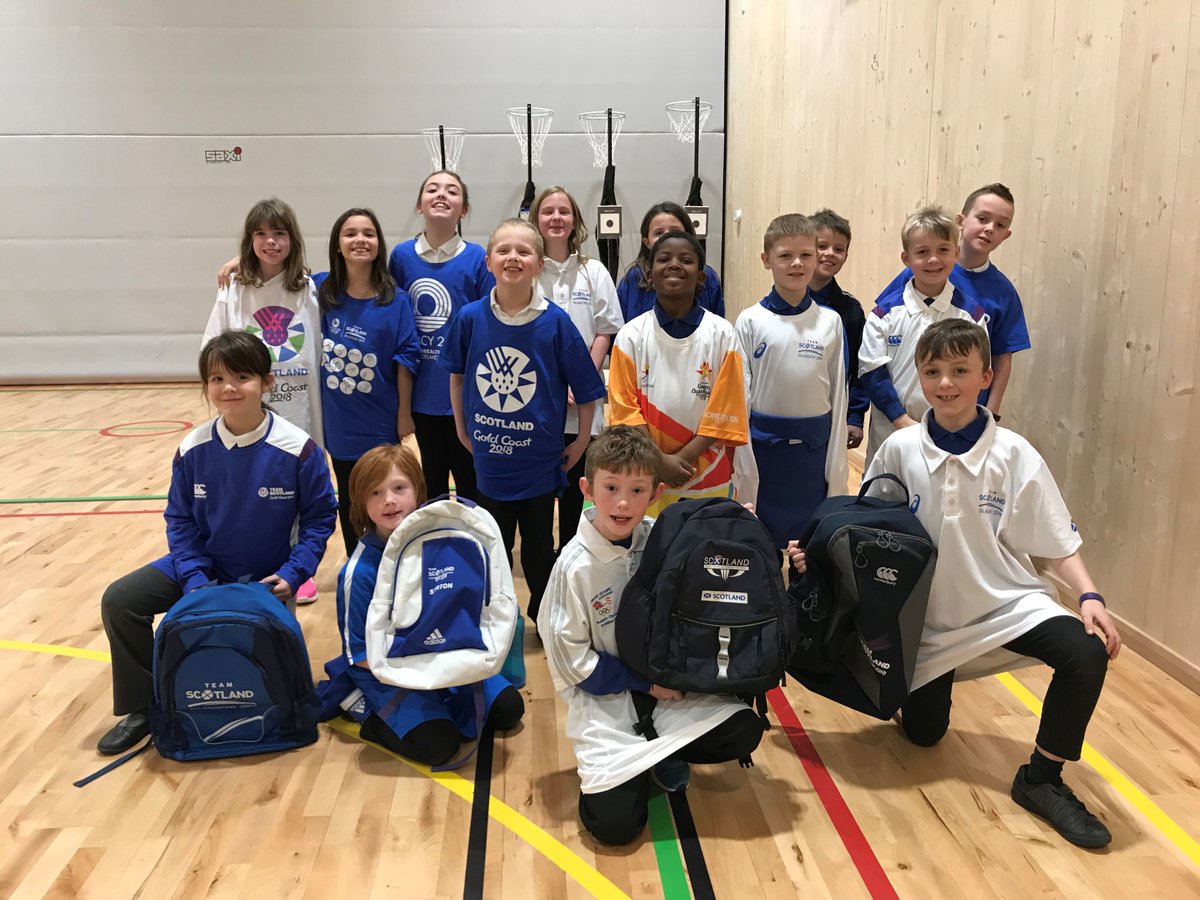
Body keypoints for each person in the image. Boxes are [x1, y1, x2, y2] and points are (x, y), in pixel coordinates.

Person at [859, 319, 1120, 848]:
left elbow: (1055, 538)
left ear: (985, 377)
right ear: (919, 375)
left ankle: (1041, 780)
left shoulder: (1015, 453)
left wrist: (1089, 596)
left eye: (960, 370)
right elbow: (861, 532)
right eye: (933, 371)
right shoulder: (900, 450)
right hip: (926, 622)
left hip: (1004, 606)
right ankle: (926, 685)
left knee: (1086, 652)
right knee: (925, 735)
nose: (946, 384)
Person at [96, 330, 337, 754]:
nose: (228, 388)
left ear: (266, 383)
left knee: (265, 651)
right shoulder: (192, 448)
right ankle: (145, 707)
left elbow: (320, 519)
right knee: (121, 600)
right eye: (216, 379)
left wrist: (293, 573)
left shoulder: (298, 449)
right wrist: (193, 579)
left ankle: (274, 710)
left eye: (242, 377)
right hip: (199, 570)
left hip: (265, 579)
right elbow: (180, 520)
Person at [539, 425, 764, 845]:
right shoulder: (573, 568)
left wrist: (740, 526)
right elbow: (573, 663)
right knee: (615, 828)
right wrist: (646, 684)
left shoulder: (657, 536)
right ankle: (637, 767)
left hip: (665, 685)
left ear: (656, 492)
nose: (623, 502)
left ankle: (666, 754)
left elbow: (709, 548)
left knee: (744, 729)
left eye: (637, 490)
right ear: (587, 488)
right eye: (611, 487)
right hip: (608, 698)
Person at [442, 218, 607, 622]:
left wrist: (582, 441)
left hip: (539, 462)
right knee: (493, 547)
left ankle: (544, 615)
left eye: (523, 251)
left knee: (537, 549)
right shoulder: (469, 318)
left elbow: (587, 390)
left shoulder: (555, 323)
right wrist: (462, 429)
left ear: (537, 264)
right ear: (488, 262)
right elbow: (458, 375)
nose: (512, 258)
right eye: (503, 250)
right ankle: (497, 621)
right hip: (491, 462)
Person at [328, 444, 523, 765]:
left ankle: (438, 705)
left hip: (443, 654)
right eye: (375, 493)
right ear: (360, 500)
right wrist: (427, 667)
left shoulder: (445, 544)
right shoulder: (359, 572)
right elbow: (360, 654)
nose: (389, 500)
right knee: (440, 746)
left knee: (509, 709)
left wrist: (455, 660)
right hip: (388, 672)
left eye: (399, 488)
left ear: (419, 490)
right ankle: (369, 715)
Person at [204, 198, 324, 601]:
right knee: (256, 489)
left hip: (300, 409)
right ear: (249, 240)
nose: (270, 242)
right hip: (249, 411)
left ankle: (297, 568)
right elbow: (213, 350)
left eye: (279, 234)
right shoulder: (234, 290)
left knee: (296, 492)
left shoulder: (308, 288)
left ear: (293, 240)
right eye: (261, 234)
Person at [609, 231, 749, 517]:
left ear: (701, 277)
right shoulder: (630, 336)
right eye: (663, 259)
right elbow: (624, 409)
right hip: (646, 471)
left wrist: (681, 460)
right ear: (649, 275)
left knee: (701, 549)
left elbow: (727, 406)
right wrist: (658, 462)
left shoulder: (723, 334)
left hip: (707, 470)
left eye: (686, 260)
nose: (674, 264)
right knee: (649, 551)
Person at [734, 213, 847, 558]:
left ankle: (806, 602)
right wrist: (744, 464)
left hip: (812, 455)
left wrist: (837, 468)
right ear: (767, 260)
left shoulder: (830, 321)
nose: (796, 263)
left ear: (817, 259)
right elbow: (740, 397)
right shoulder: (750, 320)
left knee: (809, 545)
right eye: (785, 255)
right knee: (760, 540)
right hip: (765, 453)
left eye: (806, 255)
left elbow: (838, 394)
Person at [313, 208, 420, 556]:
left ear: (379, 244)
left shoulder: (396, 300)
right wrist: (239, 262)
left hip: (380, 420)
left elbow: (406, 360)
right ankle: (357, 567)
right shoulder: (318, 290)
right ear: (338, 244)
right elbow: (275, 278)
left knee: (385, 496)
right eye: (350, 233)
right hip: (338, 422)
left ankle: (395, 566)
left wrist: (404, 415)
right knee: (351, 498)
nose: (360, 239)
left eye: (369, 233)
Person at [875, 184, 1031, 419]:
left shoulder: (1003, 292)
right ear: (961, 220)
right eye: (982, 218)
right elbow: (881, 324)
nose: (989, 229)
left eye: (1000, 225)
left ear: (1006, 234)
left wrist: (992, 413)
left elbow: (1002, 355)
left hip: (963, 414)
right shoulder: (921, 271)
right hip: (906, 412)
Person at [388, 170, 494, 500]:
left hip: (465, 394)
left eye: (452, 191)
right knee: (430, 483)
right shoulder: (401, 257)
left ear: (463, 210)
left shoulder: (478, 258)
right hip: (421, 395)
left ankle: (472, 549)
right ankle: (434, 548)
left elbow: (488, 326)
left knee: (470, 484)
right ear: (419, 205)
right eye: (432, 189)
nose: (441, 194)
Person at [531, 185, 624, 550]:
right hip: (538, 400)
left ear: (575, 222)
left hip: (582, 401)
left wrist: (580, 380)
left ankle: (571, 549)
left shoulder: (593, 271)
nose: (556, 218)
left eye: (564, 211)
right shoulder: (529, 268)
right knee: (541, 481)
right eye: (548, 211)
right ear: (536, 219)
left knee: (577, 485)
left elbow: (605, 329)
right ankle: (541, 552)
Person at [858, 205, 987, 467]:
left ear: (956, 253)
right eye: (922, 252)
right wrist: (902, 421)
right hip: (892, 433)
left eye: (942, 250)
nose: (933, 260)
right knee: (886, 501)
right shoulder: (884, 314)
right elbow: (873, 374)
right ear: (907, 258)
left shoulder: (971, 316)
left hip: (951, 435)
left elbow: (977, 376)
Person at [807, 208, 868, 449]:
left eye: (839, 249)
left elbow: (859, 368)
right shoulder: (777, 307)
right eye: (822, 246)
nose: (830, 254)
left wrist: (855, 416)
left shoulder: (850, 311)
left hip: (833, 418)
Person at [616, 202, 724, 323]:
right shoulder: (633, 278)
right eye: (659, 233)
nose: (667, 237)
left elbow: (717, 323)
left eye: (675, 231)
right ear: (646, 242)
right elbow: (619, 328)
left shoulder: (707, 277)